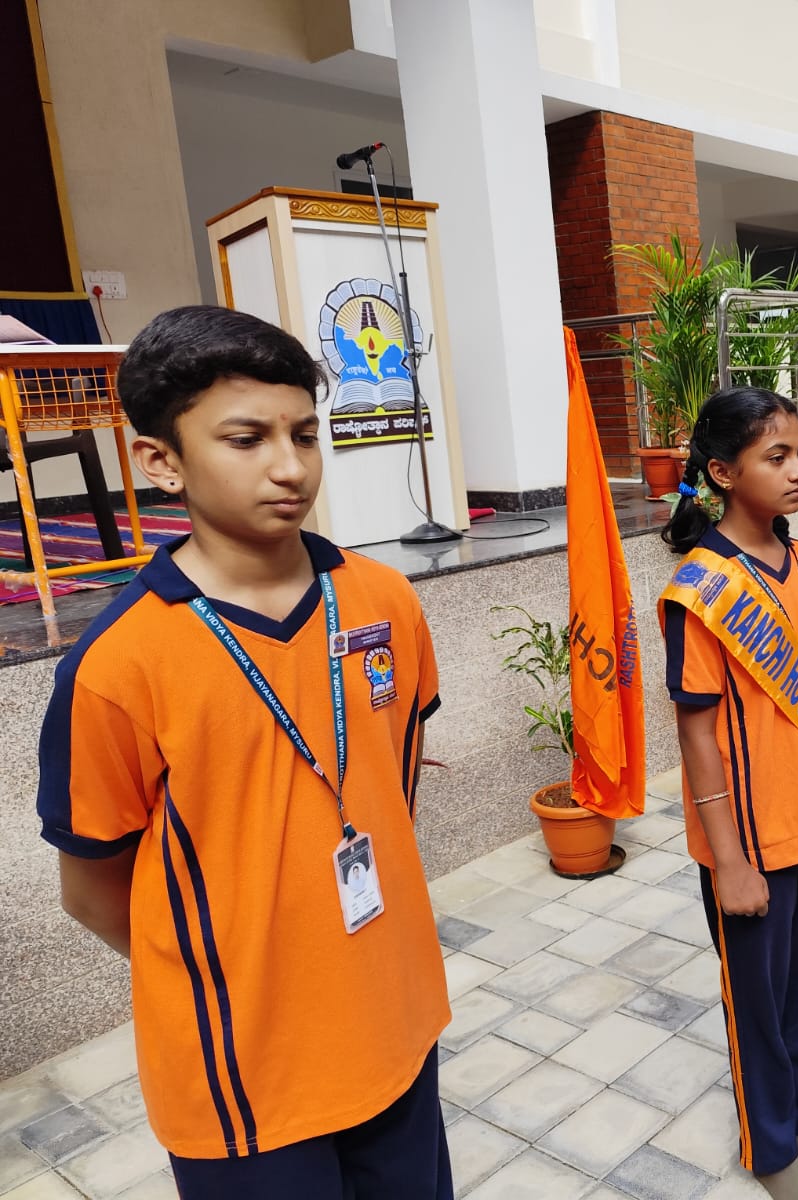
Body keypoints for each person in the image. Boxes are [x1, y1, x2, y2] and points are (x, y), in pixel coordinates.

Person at [37, 306, 451, 1198]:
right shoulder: (119, 667)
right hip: (243, 1075)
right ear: (159, 461)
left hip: (394, 1022)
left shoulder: (385, 602)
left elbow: (389, 786)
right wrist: (245, 968)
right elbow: (95, 890)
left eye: (305, 433)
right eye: (246, 438)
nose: (290, 466)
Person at [659, 386, 798, 1200]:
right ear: (722, 471)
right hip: (750, 841)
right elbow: (697, 735)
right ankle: (771, 1148)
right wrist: (728, 861)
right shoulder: (699, 588)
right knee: (758, 1006)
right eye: (775, 456)